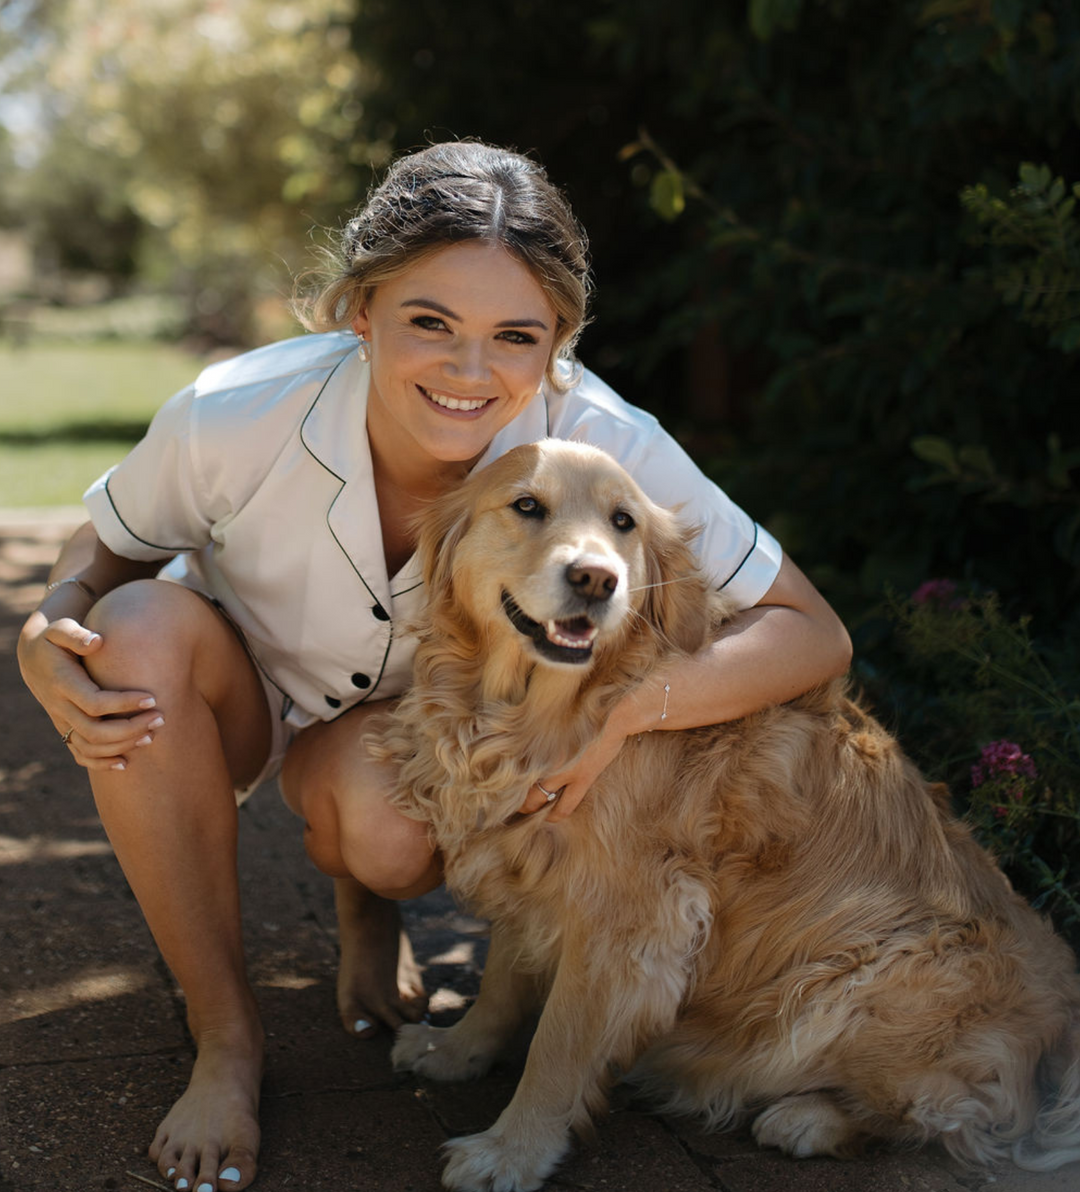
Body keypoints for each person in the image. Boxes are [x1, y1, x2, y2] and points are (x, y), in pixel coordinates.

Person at [17, 140, 852, 1192]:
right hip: (250, 687)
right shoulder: (235, 411)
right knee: (132, 632)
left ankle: (365, 902)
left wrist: (631, 714)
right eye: (429, 323)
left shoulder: (603, 443)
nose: (470, 372)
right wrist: (49, 621)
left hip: (407, 745)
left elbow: (812, 632)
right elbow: (110, 546)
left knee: (384, 836)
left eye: (515, 336)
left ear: (558, 345)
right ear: (359, 310)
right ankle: (227, 1041)